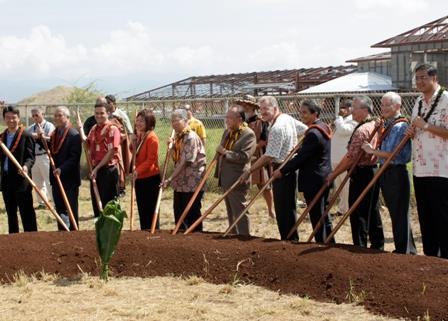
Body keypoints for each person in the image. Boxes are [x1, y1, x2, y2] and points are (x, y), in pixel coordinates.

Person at [240, 96, 307, 240]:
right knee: (288, 208)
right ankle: (291, 239)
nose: (262, 112)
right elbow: (306, 129)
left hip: (281, 169)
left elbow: (269, 155)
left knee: (283, 210)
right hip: (288, 168)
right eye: (261, 108)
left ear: (275, 108)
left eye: (266, 109)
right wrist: (294, 146)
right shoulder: (286, 118)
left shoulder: (277, 127)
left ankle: (288, 240)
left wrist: (249, 171)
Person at [362, 92, 416, 254]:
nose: (383, 108)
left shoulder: (400, 126)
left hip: (395, 172)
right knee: (395, 212)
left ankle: (405, 250)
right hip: (386, 171)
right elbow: (386, 147)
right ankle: (405, 248)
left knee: (399, 212)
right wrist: (379, 131)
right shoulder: (389, 124)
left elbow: (395, 154)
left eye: (388, 105)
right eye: (382, 104)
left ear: (398, 106)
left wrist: (372, 151)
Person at [327, 96, 384, 250]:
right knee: (372, 209)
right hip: (372, 170)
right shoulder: (374, 125)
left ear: (365, 110)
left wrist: (333, 174)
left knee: (357, 211)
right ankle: (377, 244)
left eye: (355, 107)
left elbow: (350, 158)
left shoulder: (362, 130)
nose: (351, 110)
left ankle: (359, 245)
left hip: (362, 172)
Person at [273, 99, 334, 242]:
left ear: (315, 113)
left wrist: (282, 171)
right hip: (323, 176)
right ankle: (330, 242)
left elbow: (301, 158)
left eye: (305, 113)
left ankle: (321, 243)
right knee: (323, 214)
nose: (302, 115)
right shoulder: (323, 127)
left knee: (317, 215)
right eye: (300, 112)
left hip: (314, 180)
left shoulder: (313, 133)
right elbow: (312, 150)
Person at [406, 63, 448, 258]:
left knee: (442, 217)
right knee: (425, 217)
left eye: (423, 77)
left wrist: (426, 125)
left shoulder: (446, 100)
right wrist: (412, 131)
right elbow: (418, 128)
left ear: (434, 78)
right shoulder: (418, 102)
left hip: (441, 169)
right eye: (417, 78)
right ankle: (430, 258)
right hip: (420, 168)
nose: (420, 82)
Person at [161, 109, 206, 232]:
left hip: (191, 182)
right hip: (180, 182)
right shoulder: (178, 136)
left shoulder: (190, 137)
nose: (174, 123)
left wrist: (170, 179)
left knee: (191, 212)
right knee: (179, 212)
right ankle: (180, 240)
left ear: (185, 121)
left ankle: (197, 238)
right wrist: (170, 148)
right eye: (172, 121)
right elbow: (176, 159)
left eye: (177, 120)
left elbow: (185, 162)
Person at [215, 105, 256, 235]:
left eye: (229, 118)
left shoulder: (248, 134)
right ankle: (232, 237)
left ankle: (244, 237)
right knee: (230, 211)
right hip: (226, 177)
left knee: (239, 210)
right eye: (226, 117)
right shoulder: (228, 132)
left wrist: (225, 152)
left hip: (238, 178)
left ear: (239, 118)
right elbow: (221, 149)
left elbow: (245, 157)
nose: (227, 120)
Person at [0, 105, 37, 233]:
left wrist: (26, 167)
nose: (11, 120)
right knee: (11, 213)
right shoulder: (2, 137)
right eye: (8, 118)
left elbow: (31, 157)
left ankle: (32, 237)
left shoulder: (26, 135)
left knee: (26, 211)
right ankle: (13, 239)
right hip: (6, 181)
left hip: (21, 180)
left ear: (19, 118)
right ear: (4, 119)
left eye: (13, 117)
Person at [237, 94, 275, 218]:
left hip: (258, 157)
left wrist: (251, 148)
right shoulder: (241, 122)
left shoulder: (261, 122)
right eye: (242, 105)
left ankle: (271, 210)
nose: (243, 107)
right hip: (243, 157)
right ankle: (243, 210)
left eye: (246, 104)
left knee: (264, 185)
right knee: (243, 184)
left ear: (252, 106)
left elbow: (264, 141)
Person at [85, 97, 121, 217]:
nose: (99, 116)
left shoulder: (113, 129)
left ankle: (111, 233)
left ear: (108, 113)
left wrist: (97, 168)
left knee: (109, 206)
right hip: (96, 171)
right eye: (96, 113)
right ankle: (100, 233)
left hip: (108, 171)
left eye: (102, 113)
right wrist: (82, 135)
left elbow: (111, 151)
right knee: (97, 206)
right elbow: (87, 144)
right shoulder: (94, 129)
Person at [49, 106, 82, 231]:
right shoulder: (54, 133)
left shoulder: (73, 135)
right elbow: (51, 150)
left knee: (71, 209)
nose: (57, 118)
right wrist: (40, 139)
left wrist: (62, 169)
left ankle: (74, 233)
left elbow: (74, 158)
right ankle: (62, 232)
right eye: (55, 116)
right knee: (59, 208)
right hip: (55, 178)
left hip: (69, 179)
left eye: (60, 115)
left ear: (67, 117)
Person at [133, 109, 161, 230]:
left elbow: (151, 160)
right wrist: (132, 143)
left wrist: (137, 171)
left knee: (150, 209)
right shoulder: (140, 135)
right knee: (142, 209)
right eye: (137, 120)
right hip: (140, 178)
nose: (138, 123)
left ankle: (153, 232)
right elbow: (136, 154)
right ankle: (144, 233)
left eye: (142, 121)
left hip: (150, 178)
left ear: (149, 122)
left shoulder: (152, 138)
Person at [331, 99, 357, 216]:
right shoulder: (341, 120)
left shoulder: (353, 120)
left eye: (346, 107)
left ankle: (347, 210)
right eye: (342, 107)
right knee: (339, 186)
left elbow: (343, 131)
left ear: (352, 108)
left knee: (346, 186)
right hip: (335, 157)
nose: (343, 109)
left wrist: (339, 118)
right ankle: (342, 209)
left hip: (344, 158)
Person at [27, 107, 55, 208]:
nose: (35, 117)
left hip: (45, 156)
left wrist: (40, 136)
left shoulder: (49, 126)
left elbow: (51, 139)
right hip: (34, 157)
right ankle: (42, 202)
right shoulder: (30, 128)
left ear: (42, 114)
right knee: (37, 182)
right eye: (33, 116)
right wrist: (34, 135)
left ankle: (55, 203)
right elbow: (26, 136)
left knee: (49, 181)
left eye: (36, 115)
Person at [105, 94, 132, 197]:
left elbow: (129, 131)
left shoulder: (121, 114)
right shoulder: (105, 115)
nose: (107, 105)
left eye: (109, 103)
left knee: (119, 165)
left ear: (114, 103)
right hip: (107, 145)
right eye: (105, 103)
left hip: (119, 145)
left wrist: (120, 137)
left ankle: (121, 188)